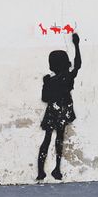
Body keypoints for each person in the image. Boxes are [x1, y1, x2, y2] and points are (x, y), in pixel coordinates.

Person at [36, 33, 81, 181]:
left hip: (53, 110)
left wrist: (45, 84)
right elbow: (78, 65)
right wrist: (77, 45)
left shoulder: (50, 80)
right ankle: (56, 169)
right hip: (62, 110)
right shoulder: (68, 77)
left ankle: (41, 171)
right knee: (59, 139)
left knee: (47, 138)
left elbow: (45, 98)